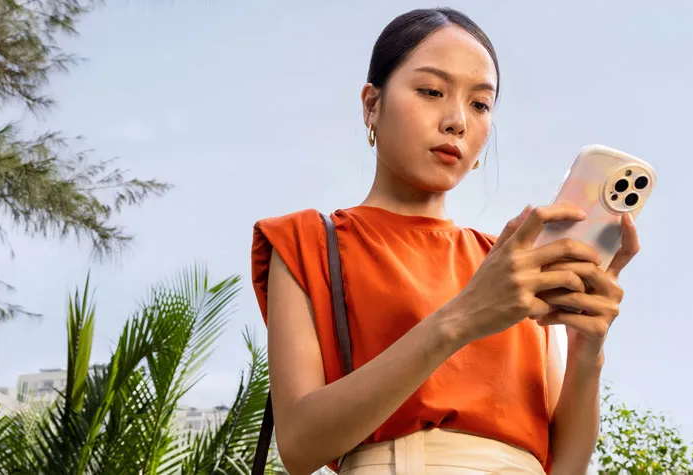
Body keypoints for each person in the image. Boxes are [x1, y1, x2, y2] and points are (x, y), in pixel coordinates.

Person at [250, 7, 639, 475]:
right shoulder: (306, 241)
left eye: (480, 105)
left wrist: (586, 348)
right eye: (431, 92)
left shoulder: (511, 262)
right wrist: (463, 316)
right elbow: (299, 445)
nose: (457, 121)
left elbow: (567, 466)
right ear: (372, 105)